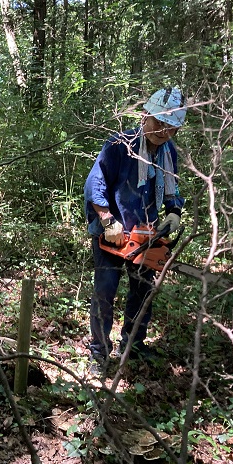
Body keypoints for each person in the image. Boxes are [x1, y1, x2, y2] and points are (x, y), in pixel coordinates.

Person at [83, 87, 187, 373]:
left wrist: (174, 212)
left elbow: (171, 187)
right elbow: (95, 182)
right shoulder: (120, 144)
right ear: (145, 116)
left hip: (147, 232)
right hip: (114, 233)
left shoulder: (169, 152)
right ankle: (98, 352)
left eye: (171, 127)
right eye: (159, 122)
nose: (163, 131)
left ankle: (134, 344)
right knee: (105, 293)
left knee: (143, 292)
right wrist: (106, 220)